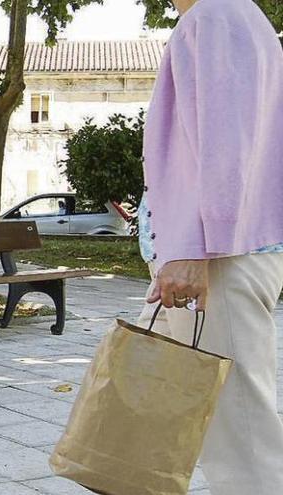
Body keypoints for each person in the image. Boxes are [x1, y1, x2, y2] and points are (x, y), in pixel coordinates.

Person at [135, 0, 283, 493]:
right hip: (228, 253)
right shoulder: (238, 15)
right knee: (229, 422)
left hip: (218, 259)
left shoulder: (216, 16)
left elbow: (225, 145)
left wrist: (193, 249)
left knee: (240, 434)